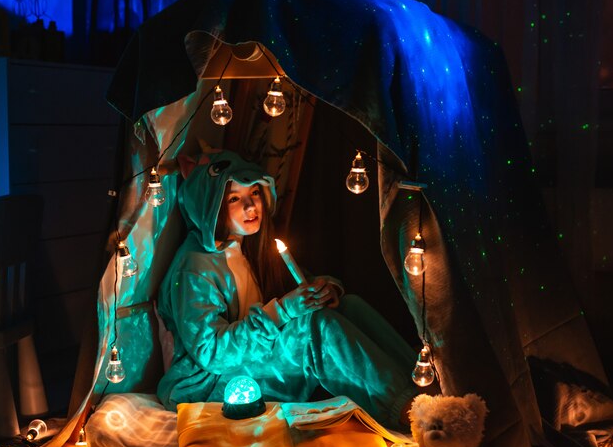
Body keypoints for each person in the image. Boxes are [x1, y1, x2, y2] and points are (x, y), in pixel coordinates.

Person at [156, 150, 420, 430]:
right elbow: (213, 354)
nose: (250, 207)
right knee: (311, 330)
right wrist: (280, 312)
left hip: (244, 360)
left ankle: (421, 386)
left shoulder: (249, 247)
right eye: (235, 198)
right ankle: (408, 413)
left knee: (348, 305)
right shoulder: (194, 268)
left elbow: (297, 282)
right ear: (210, 206)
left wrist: (326, 289)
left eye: (254, 194)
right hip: (206, 387)